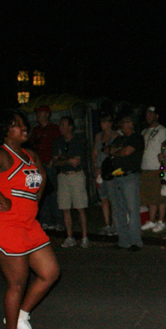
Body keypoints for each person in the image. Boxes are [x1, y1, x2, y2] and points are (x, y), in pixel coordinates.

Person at [0, 110, 60, 329]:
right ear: (4, 131)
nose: (23, 128)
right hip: (6, 224)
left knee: (50, 272)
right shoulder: (1, 155)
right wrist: (2, 199)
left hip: (28, 223)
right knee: (17, 283)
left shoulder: (29, 154)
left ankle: (21, 317)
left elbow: (41, 176)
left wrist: (35, 201)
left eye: (23, 124)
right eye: (17, 125)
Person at [106, 115, 144, 251]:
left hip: (129, 177)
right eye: (125, 122)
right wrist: (116, 152)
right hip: (116, 177)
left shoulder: (137, 138)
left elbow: (127, 151)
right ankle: (123, 241)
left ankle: (135, 242)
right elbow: (108, 150)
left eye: (129, 121)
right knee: (118, 211)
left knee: (132, 210)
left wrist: (116, 152)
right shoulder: (119, 138)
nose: (127, 124)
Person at [53, 117, 90, 248]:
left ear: (70, 127)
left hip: (76, 176)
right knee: (65, 208)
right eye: (60, 125)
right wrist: (67, 160)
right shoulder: (58, 141)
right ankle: (70, 237)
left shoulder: (78, 140)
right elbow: (55, 162)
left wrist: (63, 158)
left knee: (80, 207)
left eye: (63, 125)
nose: (61, 128)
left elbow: (77, 161)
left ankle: (84, 237)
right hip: (62, 176)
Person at [31, 105, 63, 231]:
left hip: (49, 166)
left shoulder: (54, 129)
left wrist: (54, 160)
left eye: (40, 112)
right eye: (37, 113)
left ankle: (59, 221)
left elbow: (59, 146)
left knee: (53, 193)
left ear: (46, 114)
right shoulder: (35, 130)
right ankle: (45, 220)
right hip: (37, 167)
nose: (38, 115)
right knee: (40, 194)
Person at [139, 106, 166, 233]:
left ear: (157, 116)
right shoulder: (144, 131)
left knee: (160, 196)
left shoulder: (163, 131)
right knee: (149, 196)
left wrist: (162, 167)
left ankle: (161, 221)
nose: (148, 116)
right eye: (147, 113)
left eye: (151, 114)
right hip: (145, 168)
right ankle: (151, 220)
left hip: (157, 168)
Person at [92, 114, 117, 236]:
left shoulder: (115, 135)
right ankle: (107, 224)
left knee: (113, 199)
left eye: (105, 122)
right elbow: (95, 153)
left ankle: (115, 224)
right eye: (101, 122)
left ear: (110, 123)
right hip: (100, 172)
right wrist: (95, 167)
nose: (103, 124)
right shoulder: (98, 136)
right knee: (103, 198)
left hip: (111, 172)